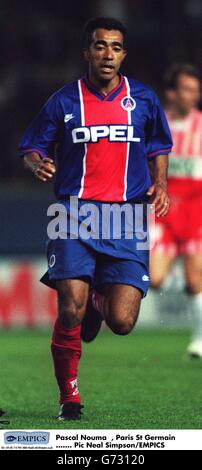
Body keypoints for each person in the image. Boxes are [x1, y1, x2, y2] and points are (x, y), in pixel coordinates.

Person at [19, 17, 172, 420]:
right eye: (100, 46)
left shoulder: (143, 99)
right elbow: (32, 146)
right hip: (73, 212)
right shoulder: (64, 101)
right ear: (87, 52)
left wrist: (161, 183)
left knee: (122, 321)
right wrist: (37, 165)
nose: (108, 54)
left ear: (124, 54)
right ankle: (69, 396)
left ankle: (97, 306)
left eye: (116, 47)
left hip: (126, 217)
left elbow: (159, 145)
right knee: (70, 308)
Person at [150, 63, 202, 357]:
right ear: (171, 93)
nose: (193, 95)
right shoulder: (158, 126)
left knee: (196, 280)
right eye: (187, 89)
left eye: (196, 90)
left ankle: (200, 337)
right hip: (164, 210)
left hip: (197, 211)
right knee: (154, 279)